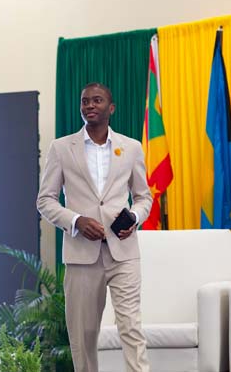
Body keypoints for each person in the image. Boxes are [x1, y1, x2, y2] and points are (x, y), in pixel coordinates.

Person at [37, 82, 153, 372]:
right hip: (81, 255)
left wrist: (134, 217)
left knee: (131, 327)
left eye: (97, 100)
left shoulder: (131, 148)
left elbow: (144, 197)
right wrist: (76, 221)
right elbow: (45, 200)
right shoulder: (61, 148)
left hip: (123, 252)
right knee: (84, 336)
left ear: (111, 108)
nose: (89, 105)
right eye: (85, 101)